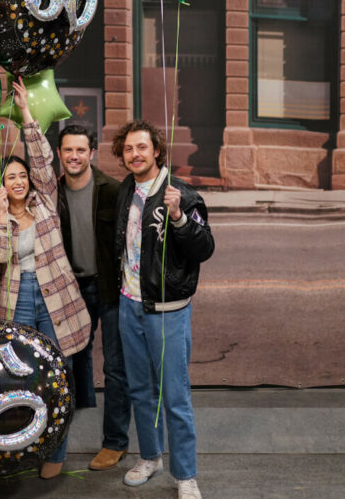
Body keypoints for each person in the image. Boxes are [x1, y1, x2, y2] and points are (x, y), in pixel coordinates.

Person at [0, 77, 92, 480]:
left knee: (57, 375)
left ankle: (56, 452)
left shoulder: (44, 199)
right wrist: (3, 217)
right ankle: (23, 446)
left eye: (21, 175)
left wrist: (26, 112)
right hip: (18, 299)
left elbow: (43, 158)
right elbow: (1, 257)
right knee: (23, 376)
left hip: (56, 298)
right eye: (10, 177)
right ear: (0, 185)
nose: (19, 180)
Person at [112, 121, 215, 499]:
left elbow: (204, 248)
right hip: (129, 303)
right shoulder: (126, 189)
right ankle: (150, 456)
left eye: (142, 147)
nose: (135, 154)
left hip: (168, 309)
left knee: (174, 395)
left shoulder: (181, 194)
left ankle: (185, 474)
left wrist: (178, 217)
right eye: (128, 149)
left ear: (157, 150)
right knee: (140, 389)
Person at [55, 124, 131, 471]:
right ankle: (60, 440)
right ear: (59, 154)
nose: (74, 156)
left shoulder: (112, 190)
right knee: (70, 364)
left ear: (92, 153)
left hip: (110, 289)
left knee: (115, 368)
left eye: (80, 150)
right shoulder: (51, 194)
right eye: (68, 150)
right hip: (72, 290)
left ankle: (114, 442)